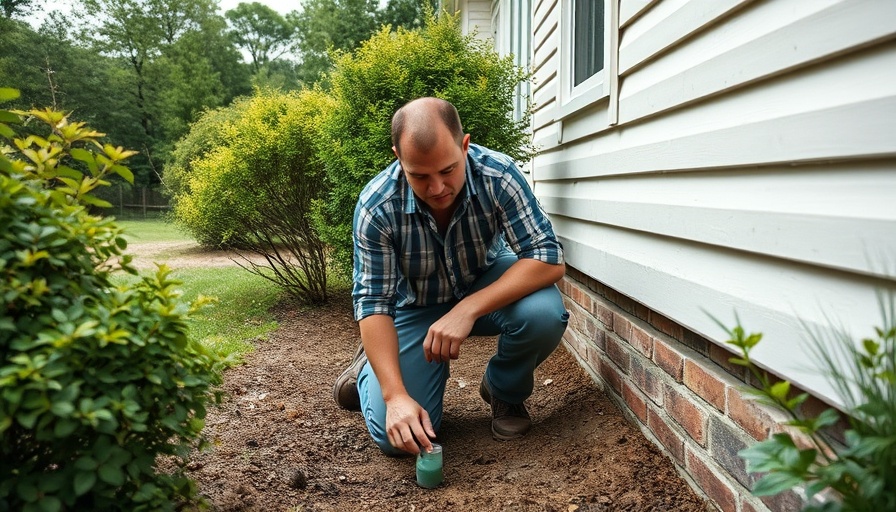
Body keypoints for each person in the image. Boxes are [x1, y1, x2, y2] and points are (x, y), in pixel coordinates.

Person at [333, 97, 568, 456]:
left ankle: (504, 391)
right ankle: (371, 368)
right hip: (416, 305)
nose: (438, 188)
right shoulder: (376, 206)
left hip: (485, 279)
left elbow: (548, 258)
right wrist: (395, 396)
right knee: (400, 440)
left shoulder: (498, 174)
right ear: (398, 156)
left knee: (544, 314)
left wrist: (467, 309)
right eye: (420, 176)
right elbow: (373, 302)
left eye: (447, 170)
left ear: (465, 145)